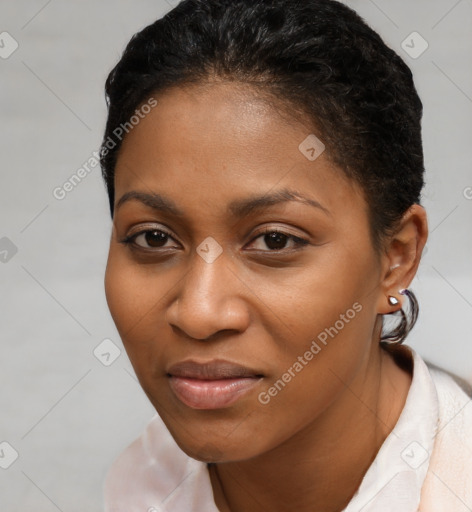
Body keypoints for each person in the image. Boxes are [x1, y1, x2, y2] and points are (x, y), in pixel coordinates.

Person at [99, 0, 472, 510]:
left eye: (275, 240)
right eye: (153, 237)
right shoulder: (141, 484)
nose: (200, 312)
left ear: (397, 256)